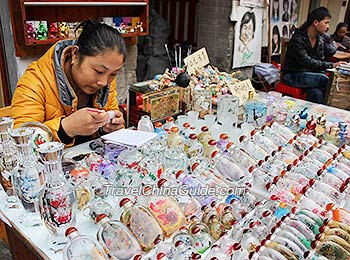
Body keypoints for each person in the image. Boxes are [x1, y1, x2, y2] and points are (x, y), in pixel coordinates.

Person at [11, 19, 126, 146]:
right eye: (98, 71)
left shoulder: (106, 79)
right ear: (75, 55)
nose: (104, 82)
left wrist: (110, 127)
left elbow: (112, 118)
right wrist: (65, 129)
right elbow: (22, 142)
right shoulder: (35, 81)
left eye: (114, 74)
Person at [282, 7, 346, 104]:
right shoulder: (298, 39)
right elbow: (306, 61)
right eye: (326, 23)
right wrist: (331, 65)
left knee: (317, 93)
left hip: (310, 75)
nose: (328, 27)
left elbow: (320, 59)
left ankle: (318, 116)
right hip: (292, 75)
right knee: (324, 79)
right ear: (315, 22)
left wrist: (332, 67)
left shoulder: (320, 39)